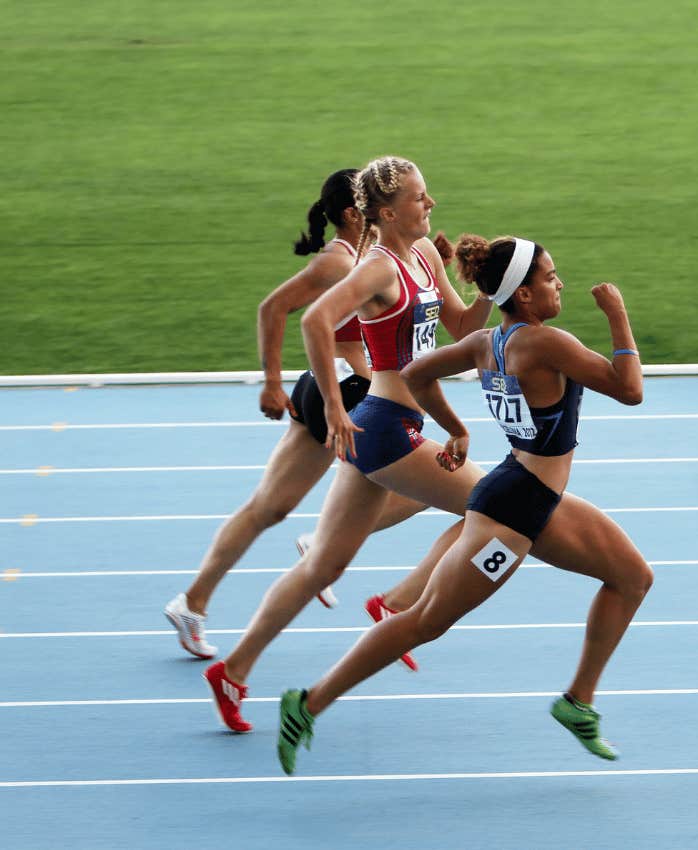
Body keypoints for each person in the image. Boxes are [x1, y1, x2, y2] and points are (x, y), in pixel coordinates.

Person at [275, 232, 653, 774]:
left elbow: (414, 373)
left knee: (632, 577)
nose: (559, 284)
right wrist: (618, 315)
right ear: (522, 294)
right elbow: (630, 388)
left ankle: (578, 703)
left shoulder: (487, 345)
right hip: (511, 516)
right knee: (425, 621)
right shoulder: (547, 344)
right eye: (549, 277)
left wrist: (457, 431)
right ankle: (308, 704)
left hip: (527, 492)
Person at [202, 156, 495, 732]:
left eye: (428, 193)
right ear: (386, 212)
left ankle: (233, 670)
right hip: (384, 427)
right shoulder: (377, 269)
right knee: (495, 503)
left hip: (381, 428)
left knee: (323, 569)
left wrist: (492, 286)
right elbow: (314, 321)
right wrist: (334, 404)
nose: (430, 204)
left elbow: (460, 328)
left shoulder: (427, 256)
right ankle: (401, 604)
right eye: (418, 197)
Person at [164, 168, 429, 660]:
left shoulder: (378, 257)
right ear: (355, 214)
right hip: (350, 395)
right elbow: (274, 308)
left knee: (269, 506)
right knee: (433, 486)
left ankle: (192, 602)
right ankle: (322, 540)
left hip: (324, 387)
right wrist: (269, 381)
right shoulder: (341, 261)